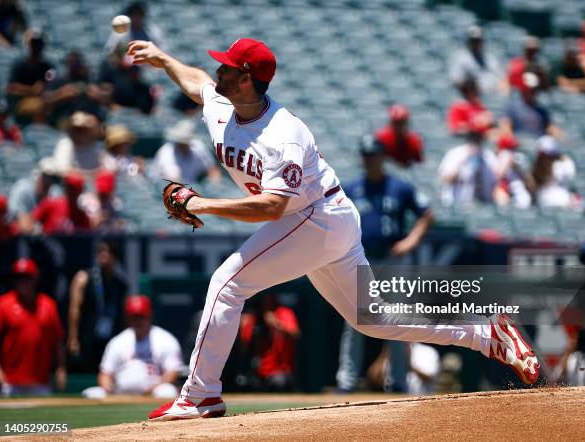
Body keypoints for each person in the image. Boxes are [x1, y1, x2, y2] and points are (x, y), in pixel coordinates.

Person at [126, 37, 539, 421]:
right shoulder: (220, 102)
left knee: (226, 283)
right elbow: (196, 81)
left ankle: (201, 395)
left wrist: (202, 204)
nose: (219, 73)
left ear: (248, 79)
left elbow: (273, 207)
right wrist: (163, 59)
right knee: (372, 320)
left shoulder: (284, 134)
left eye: (229, 69)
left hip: (316, 217)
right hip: (319, 217)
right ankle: (485, 333)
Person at [336, 135, 433, 393]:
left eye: (374, 155)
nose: (370, 160)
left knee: (397, 320)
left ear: (383, 157)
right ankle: (347, 381)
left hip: (392, 260)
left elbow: (426, 214)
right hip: (362, 259)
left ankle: (399, 382)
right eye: (366, 155)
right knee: (354, 320)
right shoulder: (352, 188)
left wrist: (410, 241)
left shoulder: (399, 188)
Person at [82, 295, 183, 398]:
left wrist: (154, 388)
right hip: (120, 395)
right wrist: (107, 388)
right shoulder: (118, 342)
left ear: (150, 315)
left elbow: (173, 372)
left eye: (141, 316)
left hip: (153, 393)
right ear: (128, 318)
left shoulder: (165, 339)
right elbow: (105, 373)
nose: (138, 321)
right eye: (134, 317)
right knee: (91, 393)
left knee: (167, 392)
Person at [0, 259, 66, 396]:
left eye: (26, 278)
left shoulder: (48, 305)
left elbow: (58, 340)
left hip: (40, 381)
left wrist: (61, 368)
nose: (22, 282)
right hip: (9, 381)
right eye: (19, 278)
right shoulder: (3, 304)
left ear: (35, 279)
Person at [67, 241, 128, 372]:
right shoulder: (83, 278)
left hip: (110, 338)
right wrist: (73, 338)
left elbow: (123, 315)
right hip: (87, 337)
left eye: (107, 251)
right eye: (100, 251)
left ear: (115, 256)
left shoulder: (120, 284)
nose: (103, 254)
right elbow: (74, 309)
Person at [239, 294, 300, 392]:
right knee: (242, 382)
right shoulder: (254, 317)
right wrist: (241, 327)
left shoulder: (283, 312)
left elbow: (295, 334)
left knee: (279, 382)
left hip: (280, 371)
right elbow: (244, 347)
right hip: (257, 372)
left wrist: (276, 324)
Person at [439, 117, 499, 205]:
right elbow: (446, 179)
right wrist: (464, 160)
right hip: (457, 206)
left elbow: (496, 185)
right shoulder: (455, 154)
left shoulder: (489, 157)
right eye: (472, 136)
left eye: (478, 136)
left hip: (484, 207)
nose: (474, 139)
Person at [43, 50, 108, 128]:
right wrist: (60, 94)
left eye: (77, 62)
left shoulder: (91, 80)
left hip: (89, 117)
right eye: (72, 63)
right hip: (67, 118)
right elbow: (45, 99)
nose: (74, 66)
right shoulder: (60, 81)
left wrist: (98, 95)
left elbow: (108, 99)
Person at [6, 29, 55, 121]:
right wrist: (31, 90)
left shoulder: (48, 67)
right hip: (21, 103)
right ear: (28, 45)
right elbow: (11, 88)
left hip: (43, 101)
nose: (36, 47)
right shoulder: (19, 65)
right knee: (38, 106)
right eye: (34, 44)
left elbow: (50, 84)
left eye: (39, 44)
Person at [151, 120, 221, 183]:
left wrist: (215, 185)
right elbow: (174, 181)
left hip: (192, 188)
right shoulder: (166, 153)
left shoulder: (198, 147)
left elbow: (212, 169)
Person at [500, 72, 560, 140]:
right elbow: (505, 127)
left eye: (534, 90)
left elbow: (551, 128)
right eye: (529, 89)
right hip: (519, 144)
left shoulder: (541, 110)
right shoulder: (512, 107)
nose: (532, 92)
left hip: (538, 145)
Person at [9, 156, 60, 234]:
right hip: (17, 240)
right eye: (46, 177)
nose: (49, 181)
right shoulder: (23, 190)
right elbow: (25, 227)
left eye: (53, 178)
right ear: (37, 175)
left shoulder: (55, 192)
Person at [449, 25, 501, 94]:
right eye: (474, 41)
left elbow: (501, 79)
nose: (476, 44)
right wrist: (473, 87)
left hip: (492, 96)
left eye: (478, 40)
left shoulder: (490, 59)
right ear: (468, 42)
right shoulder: (461, 58)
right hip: (471, 97)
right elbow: (456, 80)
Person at [529, 136, 577, 208]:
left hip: (561, 198)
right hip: (546, 200)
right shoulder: (537, 167)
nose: (546, 158)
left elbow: (571, 176)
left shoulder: (560, 165)